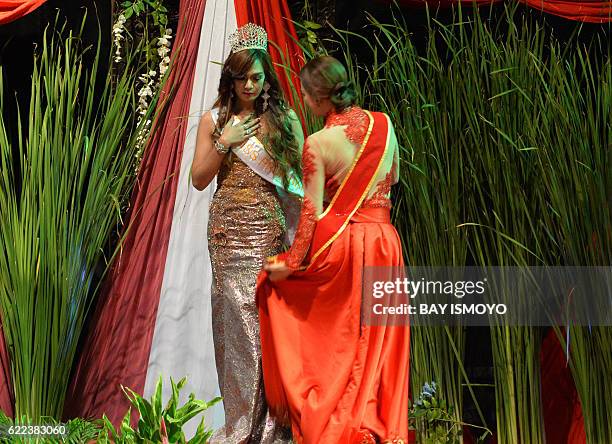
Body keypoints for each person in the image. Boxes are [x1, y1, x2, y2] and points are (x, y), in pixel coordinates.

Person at [256, 55, 410, 443]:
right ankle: (379, 429)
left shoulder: (318, 143)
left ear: (321, 99)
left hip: (349, 250)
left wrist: (290, 265)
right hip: (387, 244)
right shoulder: (385, 125)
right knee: (379, 343)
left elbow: (310, 211)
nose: (305, 103)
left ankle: (341, 427)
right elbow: (392, 177)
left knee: (339, 344)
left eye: (307, 96)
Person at [191, 23, 304, 444]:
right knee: (234, 327)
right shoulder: (215, 119)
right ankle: (240, 425)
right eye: (242, 78)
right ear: (230, 78)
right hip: (226, 235)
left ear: (266, 76)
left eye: (257, 77)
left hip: (269, 233)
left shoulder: (284, 119)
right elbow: (199, 179)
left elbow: (300, 184)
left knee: (268, 328)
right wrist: (224, 141)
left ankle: (273, 429)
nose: (250, 85)